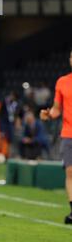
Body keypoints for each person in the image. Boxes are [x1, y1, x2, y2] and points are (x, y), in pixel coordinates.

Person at [40, 49, 72, 224]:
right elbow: (57, 108)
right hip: (68, 133)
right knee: (70, 171)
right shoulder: (62, 82)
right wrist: (49, 114)